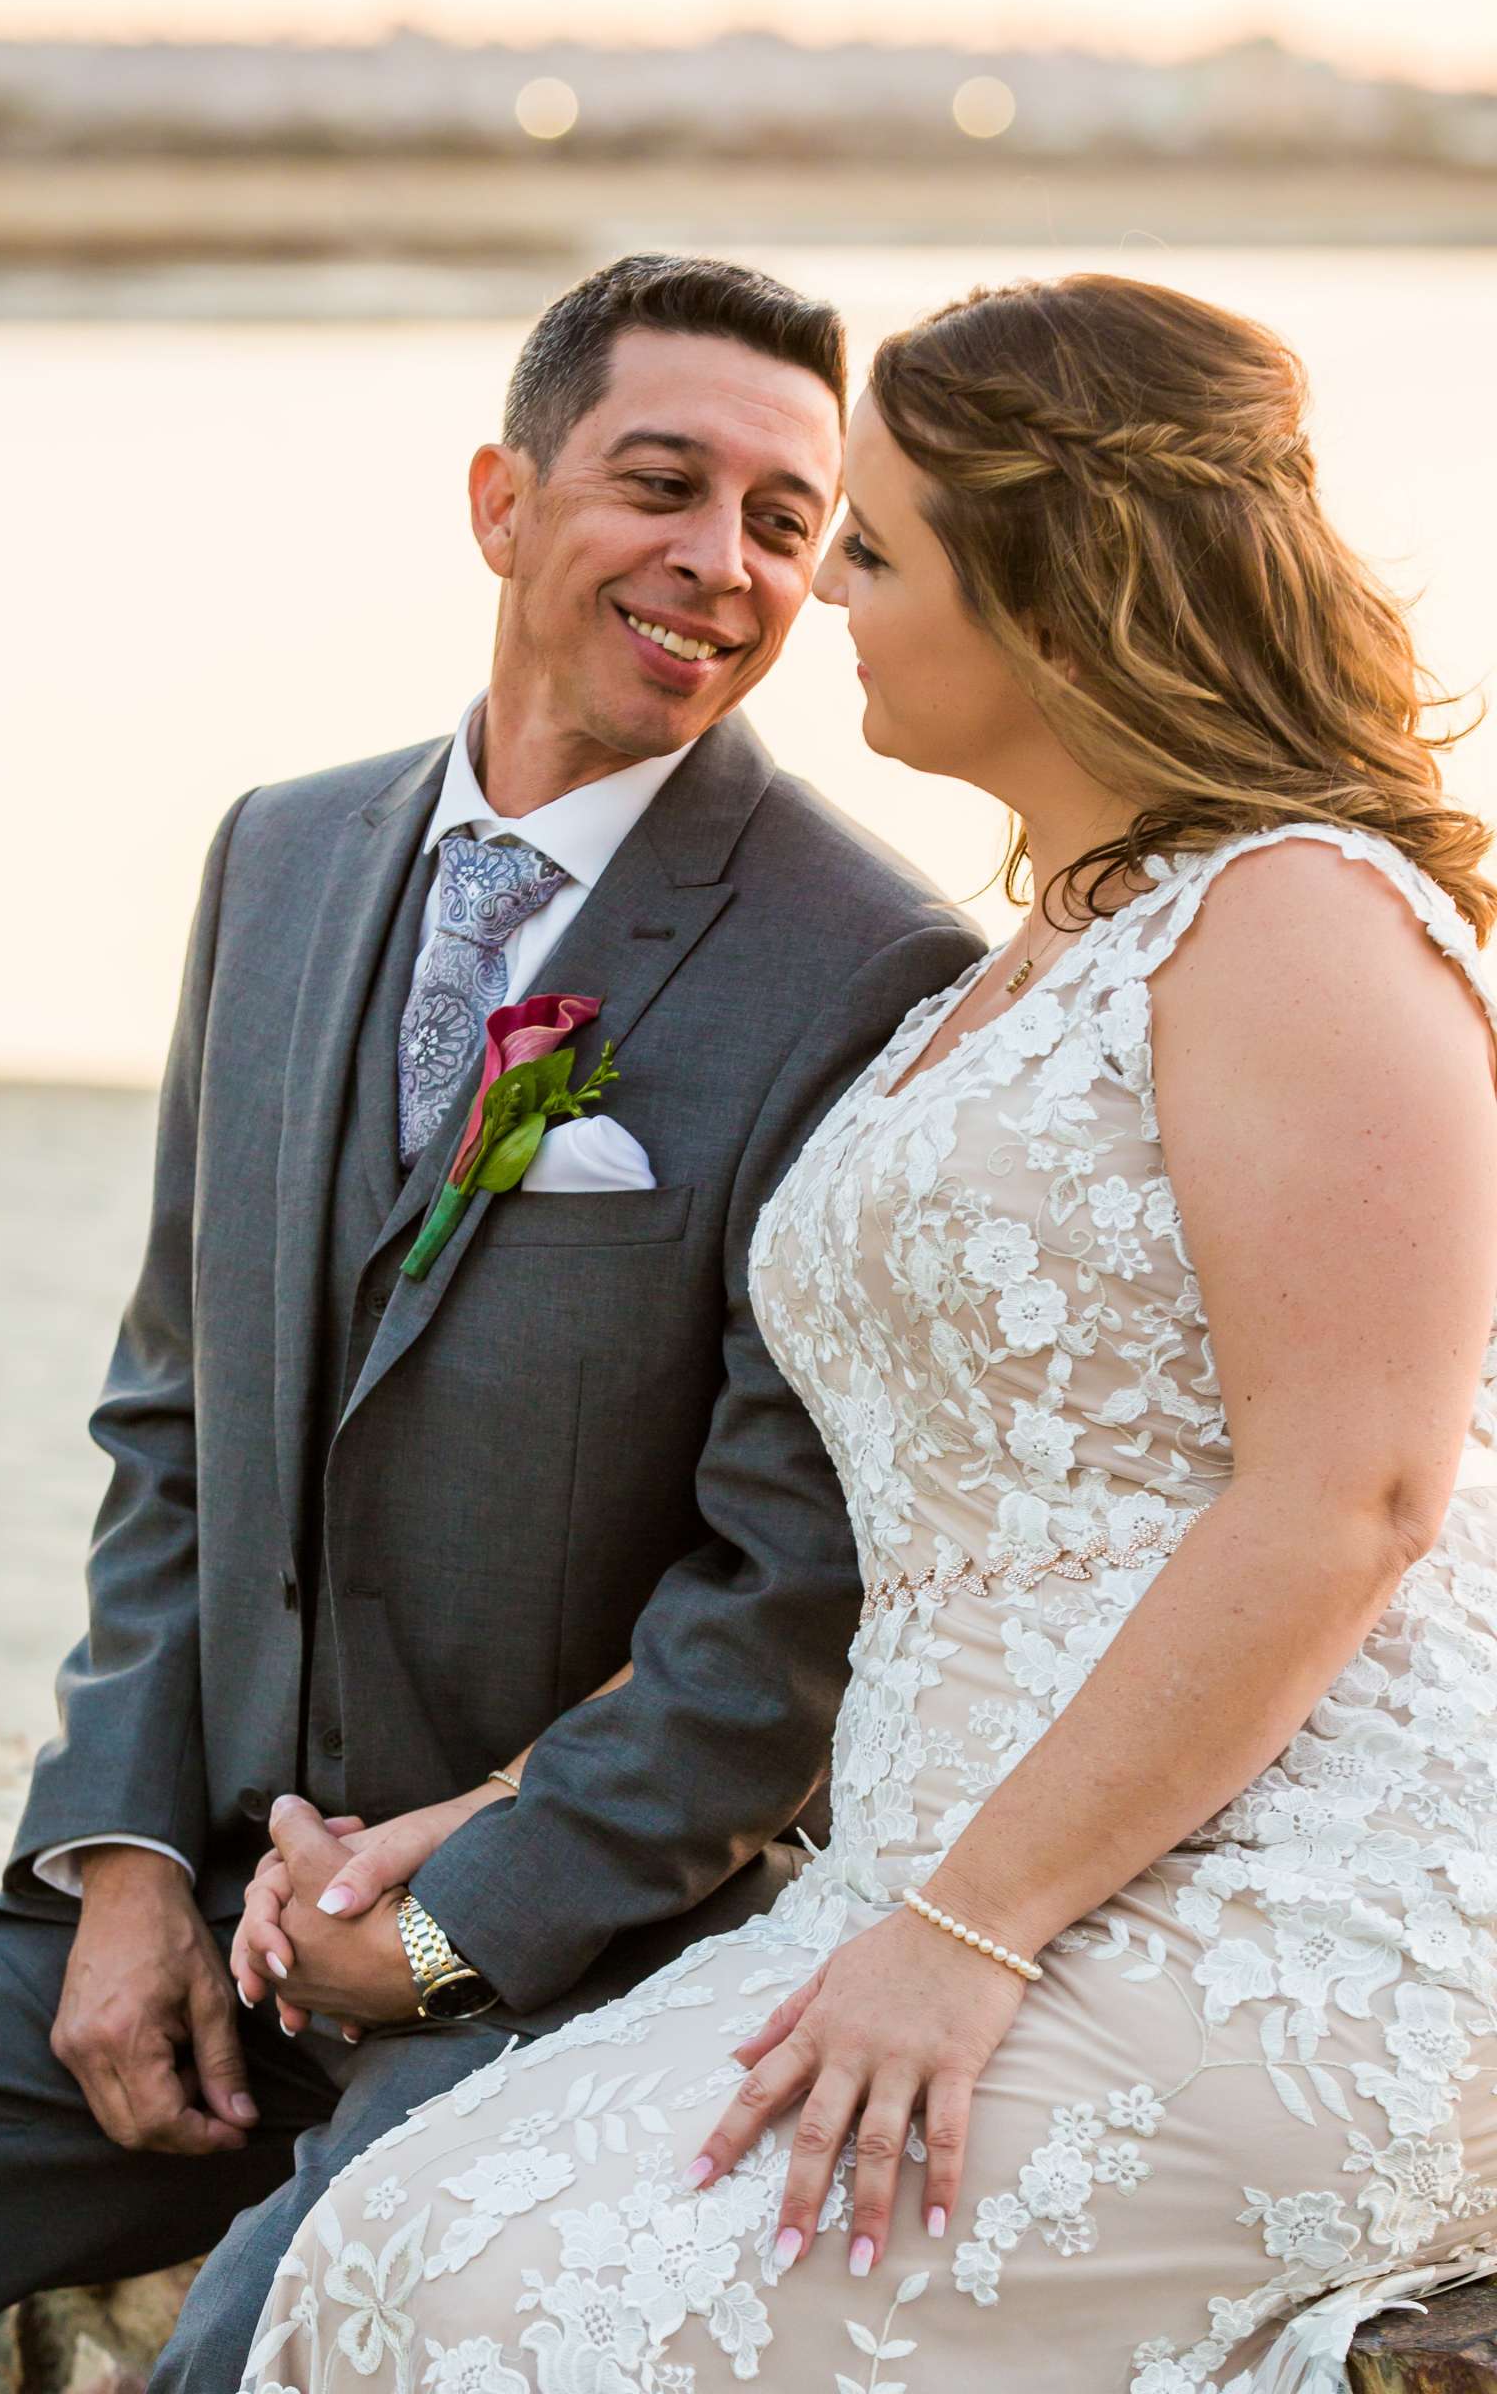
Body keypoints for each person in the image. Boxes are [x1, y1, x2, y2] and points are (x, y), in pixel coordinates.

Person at [241, 272, 1497, 2394]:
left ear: (1057, 595)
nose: (813, 596)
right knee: (391, 2246)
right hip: (927, 1871)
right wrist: (504, 1809)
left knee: (524, 2326)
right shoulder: (993, 973)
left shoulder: (1292, 916)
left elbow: (1352, 1497)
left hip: (1278, 1899)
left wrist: (966, 1931)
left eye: (876, 549)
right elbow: (921, 1527)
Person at [0, 254, 982, 2384]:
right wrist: (119, 1864)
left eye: (783, 519)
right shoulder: (283, 853)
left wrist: (439, 1921)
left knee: (271, 2349)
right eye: (659, 483)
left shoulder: (869, 967)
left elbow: (782, 1603)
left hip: (563, 1958)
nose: (720, 562)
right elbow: (173, 1419)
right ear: (500, 498)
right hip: (182, 1902)